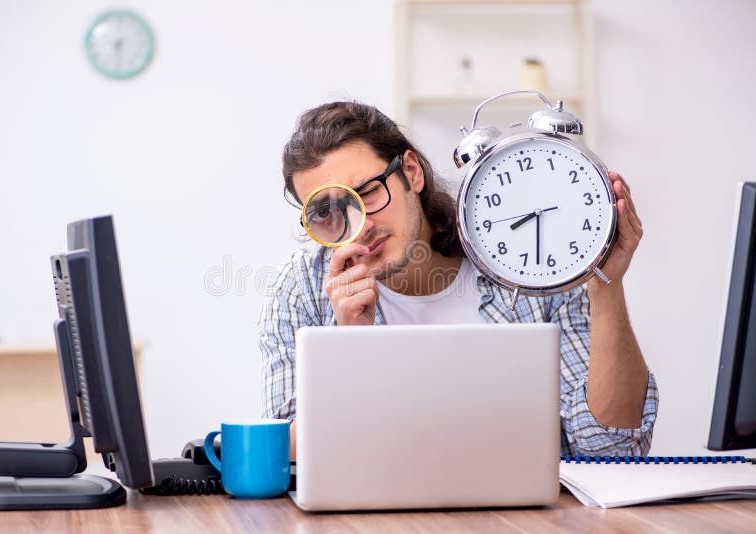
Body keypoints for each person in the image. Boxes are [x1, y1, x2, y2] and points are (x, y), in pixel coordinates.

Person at [259, 101, 658, 459]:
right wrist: (351, 351)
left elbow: (614, 448)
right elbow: (281, 454)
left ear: (411, 172)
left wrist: (607, 283)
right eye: (327, 212)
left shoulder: (532, 263)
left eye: (368, 193)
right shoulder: (301, 287)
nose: (359, 226)